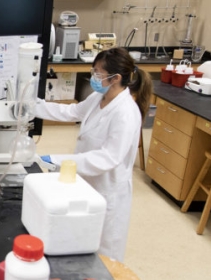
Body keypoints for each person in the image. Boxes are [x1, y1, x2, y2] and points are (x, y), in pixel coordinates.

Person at [36, 48, 152, 262]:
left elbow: (107, 158)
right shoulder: (100, 96)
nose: (93, 76)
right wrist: (35, 107)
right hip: (86, 183)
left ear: (115, 78)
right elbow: (72, 112)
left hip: (107, 191)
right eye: (94, 70)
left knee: (103, 255)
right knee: (80, 241)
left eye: (98, 72)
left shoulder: (125, 113)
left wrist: (56, 160)